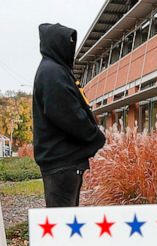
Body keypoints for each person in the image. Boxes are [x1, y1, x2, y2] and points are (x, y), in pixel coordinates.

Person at [33, 22, 106, 207]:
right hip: (61, 162)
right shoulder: (53, 72)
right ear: (56, 44)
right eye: (68, 42)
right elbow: (67, 114)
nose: (71, 47)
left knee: (63, 220)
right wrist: (95, 136)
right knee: (62, 225)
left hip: (62, 161)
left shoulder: (54, 70)